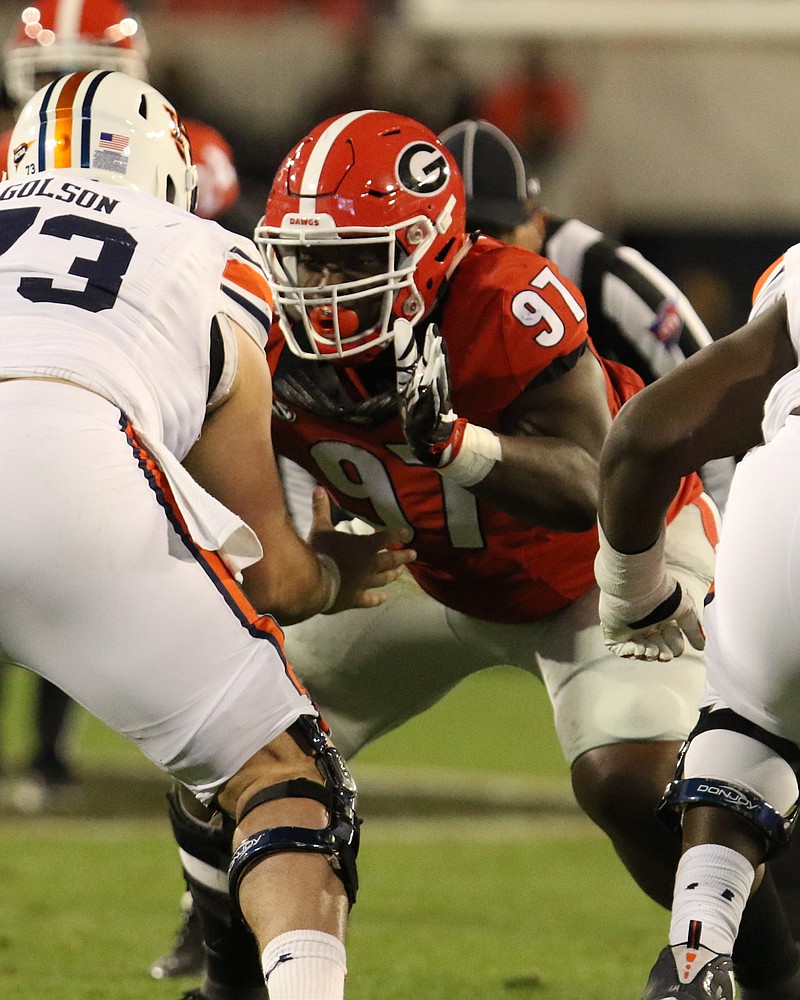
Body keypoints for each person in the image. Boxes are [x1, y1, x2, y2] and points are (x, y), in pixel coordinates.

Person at [156, 109, 800, 1000]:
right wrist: (309, 545)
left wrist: (456, 442)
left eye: (353, 257)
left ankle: (772, 975)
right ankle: (230, 979)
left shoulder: (508, 298)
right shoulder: (259, 323)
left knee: (634, 782)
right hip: (427, 569)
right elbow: (219, 473)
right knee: (221, 732)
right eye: (309, 257)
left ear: (428, 247)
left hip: (597, 571)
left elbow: (589, 480)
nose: (323, 283)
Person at [0, 70, 415, 1000]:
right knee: (285, 778)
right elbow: (266, 570)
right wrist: (338, 575)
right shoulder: (204, 251)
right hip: (52, 462)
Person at [0, 0, 241, 824]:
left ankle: (49, 751)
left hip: (136, 384)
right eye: (48, 74)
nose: (68, 88)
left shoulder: (183, 150)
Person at [595, 243, 800, 999]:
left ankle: (695, 951)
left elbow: (642, 436)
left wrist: (631, 590)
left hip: (789, 484)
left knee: (748, 722)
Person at [438, 117, 735, 512]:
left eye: (495, 233)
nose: (476, 252)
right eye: (460, 234)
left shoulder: (604, 279)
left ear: (538, 225)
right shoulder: (409, 284)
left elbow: (712, 400)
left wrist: (725, 536)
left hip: (631, 512)